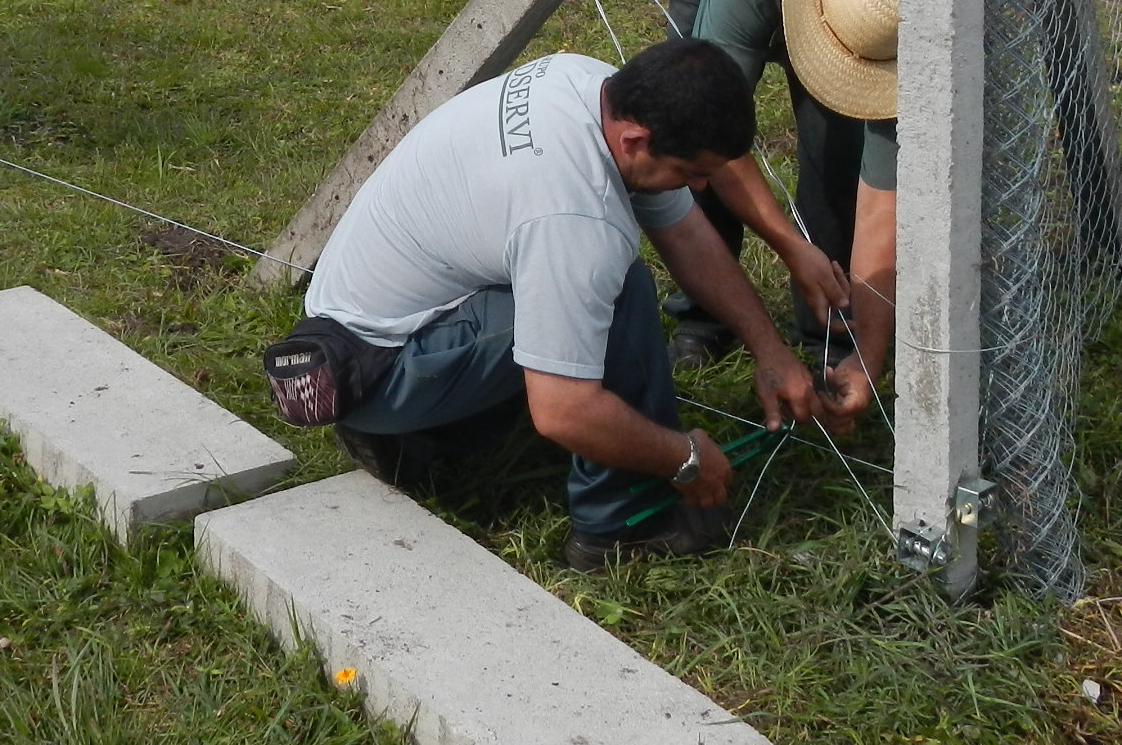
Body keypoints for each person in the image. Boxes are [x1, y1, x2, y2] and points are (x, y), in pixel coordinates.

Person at [267, 39, 824, 567]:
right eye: (689, 173)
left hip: (363, 324)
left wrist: (768, 349)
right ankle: (622, 522)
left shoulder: (585, 81)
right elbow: (563, 410)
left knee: (581, 292)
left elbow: (685, 233)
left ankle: (424, 438)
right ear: (635, 140)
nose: (700, 188)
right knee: (618, 287)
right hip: (379, 370)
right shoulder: (575, 218)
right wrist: (684, 459)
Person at [659, 0, 898, 422]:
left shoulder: (897, 4)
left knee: (838, 164)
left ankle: (830, 338)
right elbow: (712, 139)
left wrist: (868, 357)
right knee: (688, 150)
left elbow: (881, 210)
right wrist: (792, 247)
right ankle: (703, 316)